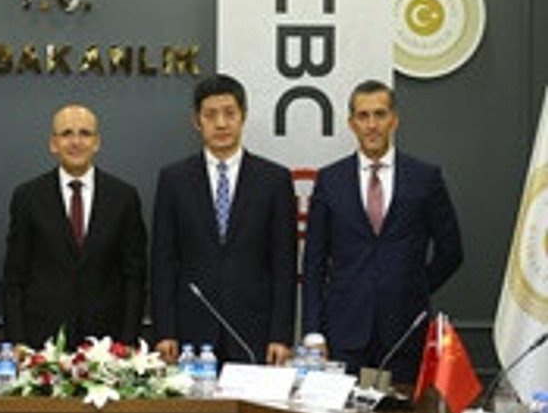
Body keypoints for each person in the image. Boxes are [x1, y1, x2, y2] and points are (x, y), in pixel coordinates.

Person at [303, 79, 464, 382]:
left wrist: (413, 289)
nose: (372, 125)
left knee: (402, 405)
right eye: (363, 116)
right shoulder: (330, 180)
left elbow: (451, 251)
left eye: (380, 114)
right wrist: (313, 331)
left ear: (394, 120)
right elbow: (313, 262)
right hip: (345, 332)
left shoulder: (424, 178)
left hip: (404, 332)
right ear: (351, 123)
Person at [150, 74, 297, 366]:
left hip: (254, 332)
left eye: (230, 113)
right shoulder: (174, 179)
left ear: (243, 117)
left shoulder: (274, 180)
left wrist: (280, 335)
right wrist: (165, 331)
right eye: (210, 115)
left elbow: (284, 265)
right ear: (197, 121)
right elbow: (163, 262)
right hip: (190, 332)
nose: (221, 124)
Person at [3, 105, 147, 349]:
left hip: (107, 344)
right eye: (67, 133)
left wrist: (128, 340)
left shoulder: (123, 197)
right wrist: (17, 341)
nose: (76, 142)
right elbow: (14, 276)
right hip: (43, 342)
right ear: (53, 143)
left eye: (85, 133)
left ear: (97, 142)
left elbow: (134, 277)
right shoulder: (27, 197)